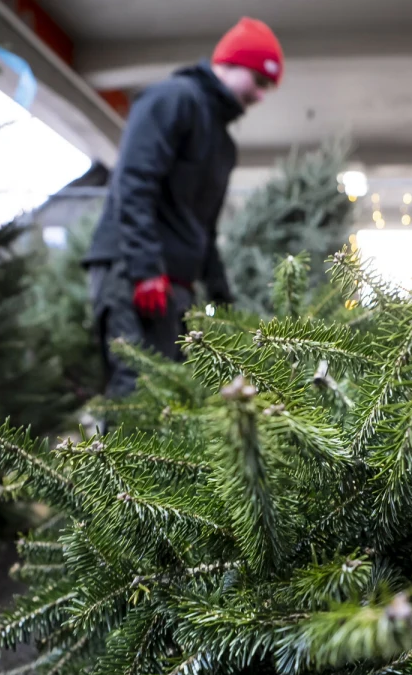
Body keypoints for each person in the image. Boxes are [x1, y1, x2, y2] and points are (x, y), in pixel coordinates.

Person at [83, 17, 283, 403]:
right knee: (137, 393)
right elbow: (133, 181)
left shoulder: (223, 146)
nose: (260, 96)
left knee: (172, 398)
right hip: (134, 272)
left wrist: (226, 306)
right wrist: (145, 270)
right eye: (258, 82)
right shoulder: (173, 99)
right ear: (228, 63)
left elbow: (203, 231)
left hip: (173, 284)